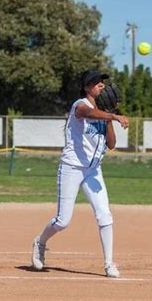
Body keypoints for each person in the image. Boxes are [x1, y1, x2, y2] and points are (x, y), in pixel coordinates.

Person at [31, 69, 129, 278]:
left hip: (93, 170)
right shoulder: (80, 106)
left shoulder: (103, 115)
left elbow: (111, 145)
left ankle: (109, 263)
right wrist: (113, 115)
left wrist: (110, 120)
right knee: (62, 221)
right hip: (72, 167)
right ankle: (40, 242)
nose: (101, 85)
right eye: (96, 82)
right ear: (86, 88)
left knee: (105, 215)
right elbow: (87, 113)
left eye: (102, 82)